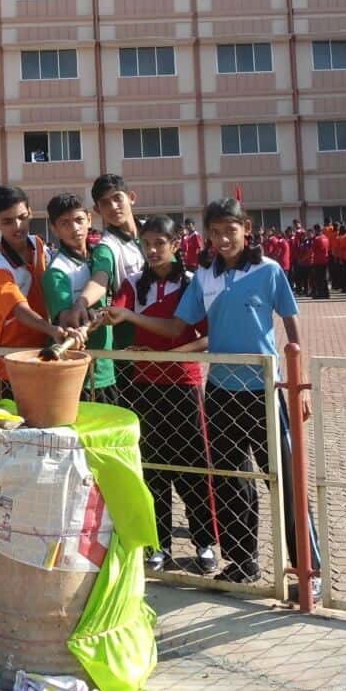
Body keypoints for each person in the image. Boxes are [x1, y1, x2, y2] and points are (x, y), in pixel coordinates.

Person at [107, 197, 322, 600]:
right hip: (220, 391)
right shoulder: (203, 277)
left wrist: (299, 379)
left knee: (288, 482)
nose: (223, 239)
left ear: (247, 229)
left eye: (231, 230)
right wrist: (131, 317)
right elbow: (176, 328)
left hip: (264, 389)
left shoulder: (268, 271)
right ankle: (242, 562)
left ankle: (308, 571)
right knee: (229, 483)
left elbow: (291, 324)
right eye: (216, 232)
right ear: (206, 235)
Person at [110, 215, 216, 575]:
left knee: (193, 467)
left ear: (176, 244)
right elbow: (116, 310)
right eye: (147, 243)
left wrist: (177, 354)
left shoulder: (192, 284)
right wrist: (97, 317)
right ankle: (159, 543)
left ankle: (204, 542)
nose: (153, 250)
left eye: (160, 243)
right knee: (152, 468)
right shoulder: (133, 282)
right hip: (145, 387)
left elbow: (205, 336)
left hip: (184, 386)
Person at [0, 185, 85, 401]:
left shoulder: (38, 244)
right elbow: (19, 310)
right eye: (7, 221)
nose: (18, 226)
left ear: (30, 212)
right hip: (11, 362)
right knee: (15, 430)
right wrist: (51, 328)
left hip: (45, 352)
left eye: (22, 217)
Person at [41, 192, 117, 404]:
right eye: (65, 223)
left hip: (107, 368)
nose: (75, 228)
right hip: (78, 376)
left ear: (89, 219)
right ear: (54, 229)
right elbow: (67, 320)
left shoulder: (100, 256)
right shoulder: (56, 272)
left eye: (79, 220)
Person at [63, 175, 145, 357]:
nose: (113, 207)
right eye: (105, 203)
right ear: (97, 209)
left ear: (131, 197)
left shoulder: (154, 231)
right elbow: (100, 279)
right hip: (131, 341)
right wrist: (81, 303)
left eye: (117, 198)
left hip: (167, 331)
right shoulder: (107, 247)